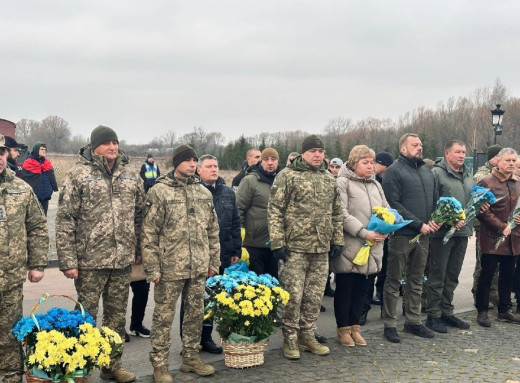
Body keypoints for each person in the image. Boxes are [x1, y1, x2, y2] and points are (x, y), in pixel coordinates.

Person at [56, 126, 145, 383]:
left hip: (122, 260)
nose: (113, 147)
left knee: (116, 317)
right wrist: (68, 261)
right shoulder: (78, 175)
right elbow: (65, 220)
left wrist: (138, 250)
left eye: (115, 142)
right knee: (85, 316)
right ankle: (80, 367)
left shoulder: (129, 175)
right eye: (107, 142)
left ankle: (111, 365)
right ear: (94, 146)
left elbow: (141, 215)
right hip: (89, 261)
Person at [141, 144, 220, 381]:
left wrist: (213, 262)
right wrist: (152, 267)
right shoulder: (160, 191)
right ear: (177, 163)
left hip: (198, 266)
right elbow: (148, 233)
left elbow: (213, 230)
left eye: (195, 160)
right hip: (169, 268)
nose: (192, 164)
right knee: (163, 318)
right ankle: (160, 364)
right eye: (187, 160)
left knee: (196, 314)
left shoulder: (203, 192)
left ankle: (190, 357)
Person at [268, 135, 344, 360]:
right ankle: (290, 337)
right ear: (304, 154)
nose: (318, 155)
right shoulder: (287, 176)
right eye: (313, 151)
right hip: (295, 248)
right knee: (293, 296)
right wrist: (278, 242)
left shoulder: (328, 178)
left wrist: (337, 239)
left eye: (321, 151)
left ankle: (307, 334)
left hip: (320, 248)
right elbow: (275, 210)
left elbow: (336, 211)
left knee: (314, 296)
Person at [381, 133, 442, 343]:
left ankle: (413, 320)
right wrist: (418, 224)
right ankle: (389, 323)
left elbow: (434, 199)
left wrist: (435, 219)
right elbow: (393, 203)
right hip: (402, 234)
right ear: (403, 149)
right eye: (415, 145)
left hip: (424, 235)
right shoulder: (393, 172)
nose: (419, 148)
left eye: (421, 145)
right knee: (394, 280)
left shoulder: (426, 171)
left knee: (416, 280)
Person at [180, 154, 241, 354]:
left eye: (216, 166)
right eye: (209, 166)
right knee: (192, 299)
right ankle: (188, 341)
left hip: (220, 254)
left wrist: (235, 250)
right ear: (199, 170)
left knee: (212, 297)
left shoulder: (227, 193)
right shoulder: (191, 191)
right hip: (195, 255)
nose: (214, 169)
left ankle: (206, 337)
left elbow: (234, 223)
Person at [0, 134, 48, 383]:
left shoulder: (20, 188)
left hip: (9, 277)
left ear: (6, 155)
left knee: (9, 333)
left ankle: (10, 377)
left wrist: (38, 264)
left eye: (0, 152)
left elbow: (38, 227)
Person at [332, 145, 389, 347]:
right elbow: (342, 214)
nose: (370, 166)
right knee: (346, 288)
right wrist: (364, 233)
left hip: (374, 245)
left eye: (371, 162)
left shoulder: (376, 185)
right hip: (352, 245)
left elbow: (386, 209)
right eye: (365, 162)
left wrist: (387, 227)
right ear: (354, 163)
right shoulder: (342, 183)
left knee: (363, 289)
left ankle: (356, 328)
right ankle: (343, 329)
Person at [425, 140, 475, 333]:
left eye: (463, 152)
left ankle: (447, 311)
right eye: (458, 152)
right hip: (441, 234)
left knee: (453, 275)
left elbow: (471, 200)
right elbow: (432, 203)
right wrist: (448, 220)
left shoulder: (468, 174)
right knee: (438, 274)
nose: (462, 155)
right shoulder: (437, 174)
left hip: (462, 232)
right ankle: (433, 316)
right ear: (447, 154)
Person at [475, 148, 520, 327]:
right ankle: (482, 311)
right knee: (487, 275)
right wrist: (501, 227)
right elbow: (480, 210)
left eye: (513, 160)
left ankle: (504, 309)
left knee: (508, 276)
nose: (511, 163)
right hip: (492, 237)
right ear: (498, 161)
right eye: (507, 160)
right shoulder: (486, 181)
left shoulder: (518, 182)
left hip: (513, 238)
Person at [360, 151, 394, 325]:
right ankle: (363, 308)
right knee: (369, 272)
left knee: (384, 269)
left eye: (375, 163)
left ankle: (380, 298)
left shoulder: (386, 182)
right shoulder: (372, 181)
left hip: (384, 233)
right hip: (367, 233)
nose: (372, 166)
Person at [236, 147, 280, 278]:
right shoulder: (250, 181)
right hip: (254, 245)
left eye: (273, 159)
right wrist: (239, 238)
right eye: (266, 159)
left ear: (278, 162)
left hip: (275, 246)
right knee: (256, 288)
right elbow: (238, 209)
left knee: (274, 288)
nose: (270, 162)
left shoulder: (282, 181)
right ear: (261, 162)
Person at [472, 144, 502, 307]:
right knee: (482, 261)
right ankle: (478, 293)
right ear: (493, 158)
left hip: (499, 225)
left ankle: (492, 293)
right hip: (483, 226)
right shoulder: (482, 176)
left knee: (495, 263)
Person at [21, 142, 58, 215]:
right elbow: (25, 180)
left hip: (45, 195)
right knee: (33, 219)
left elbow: (51, 177)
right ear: (36, 150)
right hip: (33, 196)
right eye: (41, 149)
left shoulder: (47, 163)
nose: (44, 151)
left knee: (44, 218)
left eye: (45, 149)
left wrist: (53, 187)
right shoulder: (28, 163)